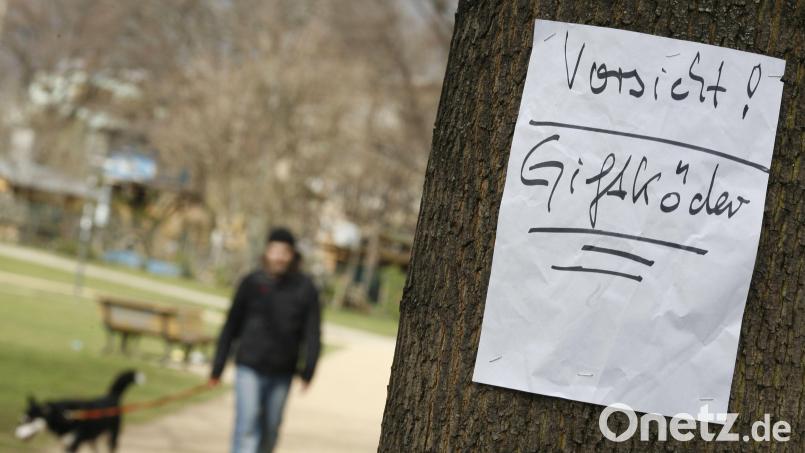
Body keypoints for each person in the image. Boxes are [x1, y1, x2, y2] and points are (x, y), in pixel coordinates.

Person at [208, 227, 321, 453]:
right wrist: (217, 367)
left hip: (283, 372)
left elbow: (313, 332)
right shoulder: (250, 282)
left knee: (270, 430)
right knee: (247, 427)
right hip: (248, 367)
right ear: (266, 252)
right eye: (274, 251)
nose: (279, 257)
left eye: (284, 252)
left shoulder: (305, 288)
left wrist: (309, 369)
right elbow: (231, 325)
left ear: (292, 255)